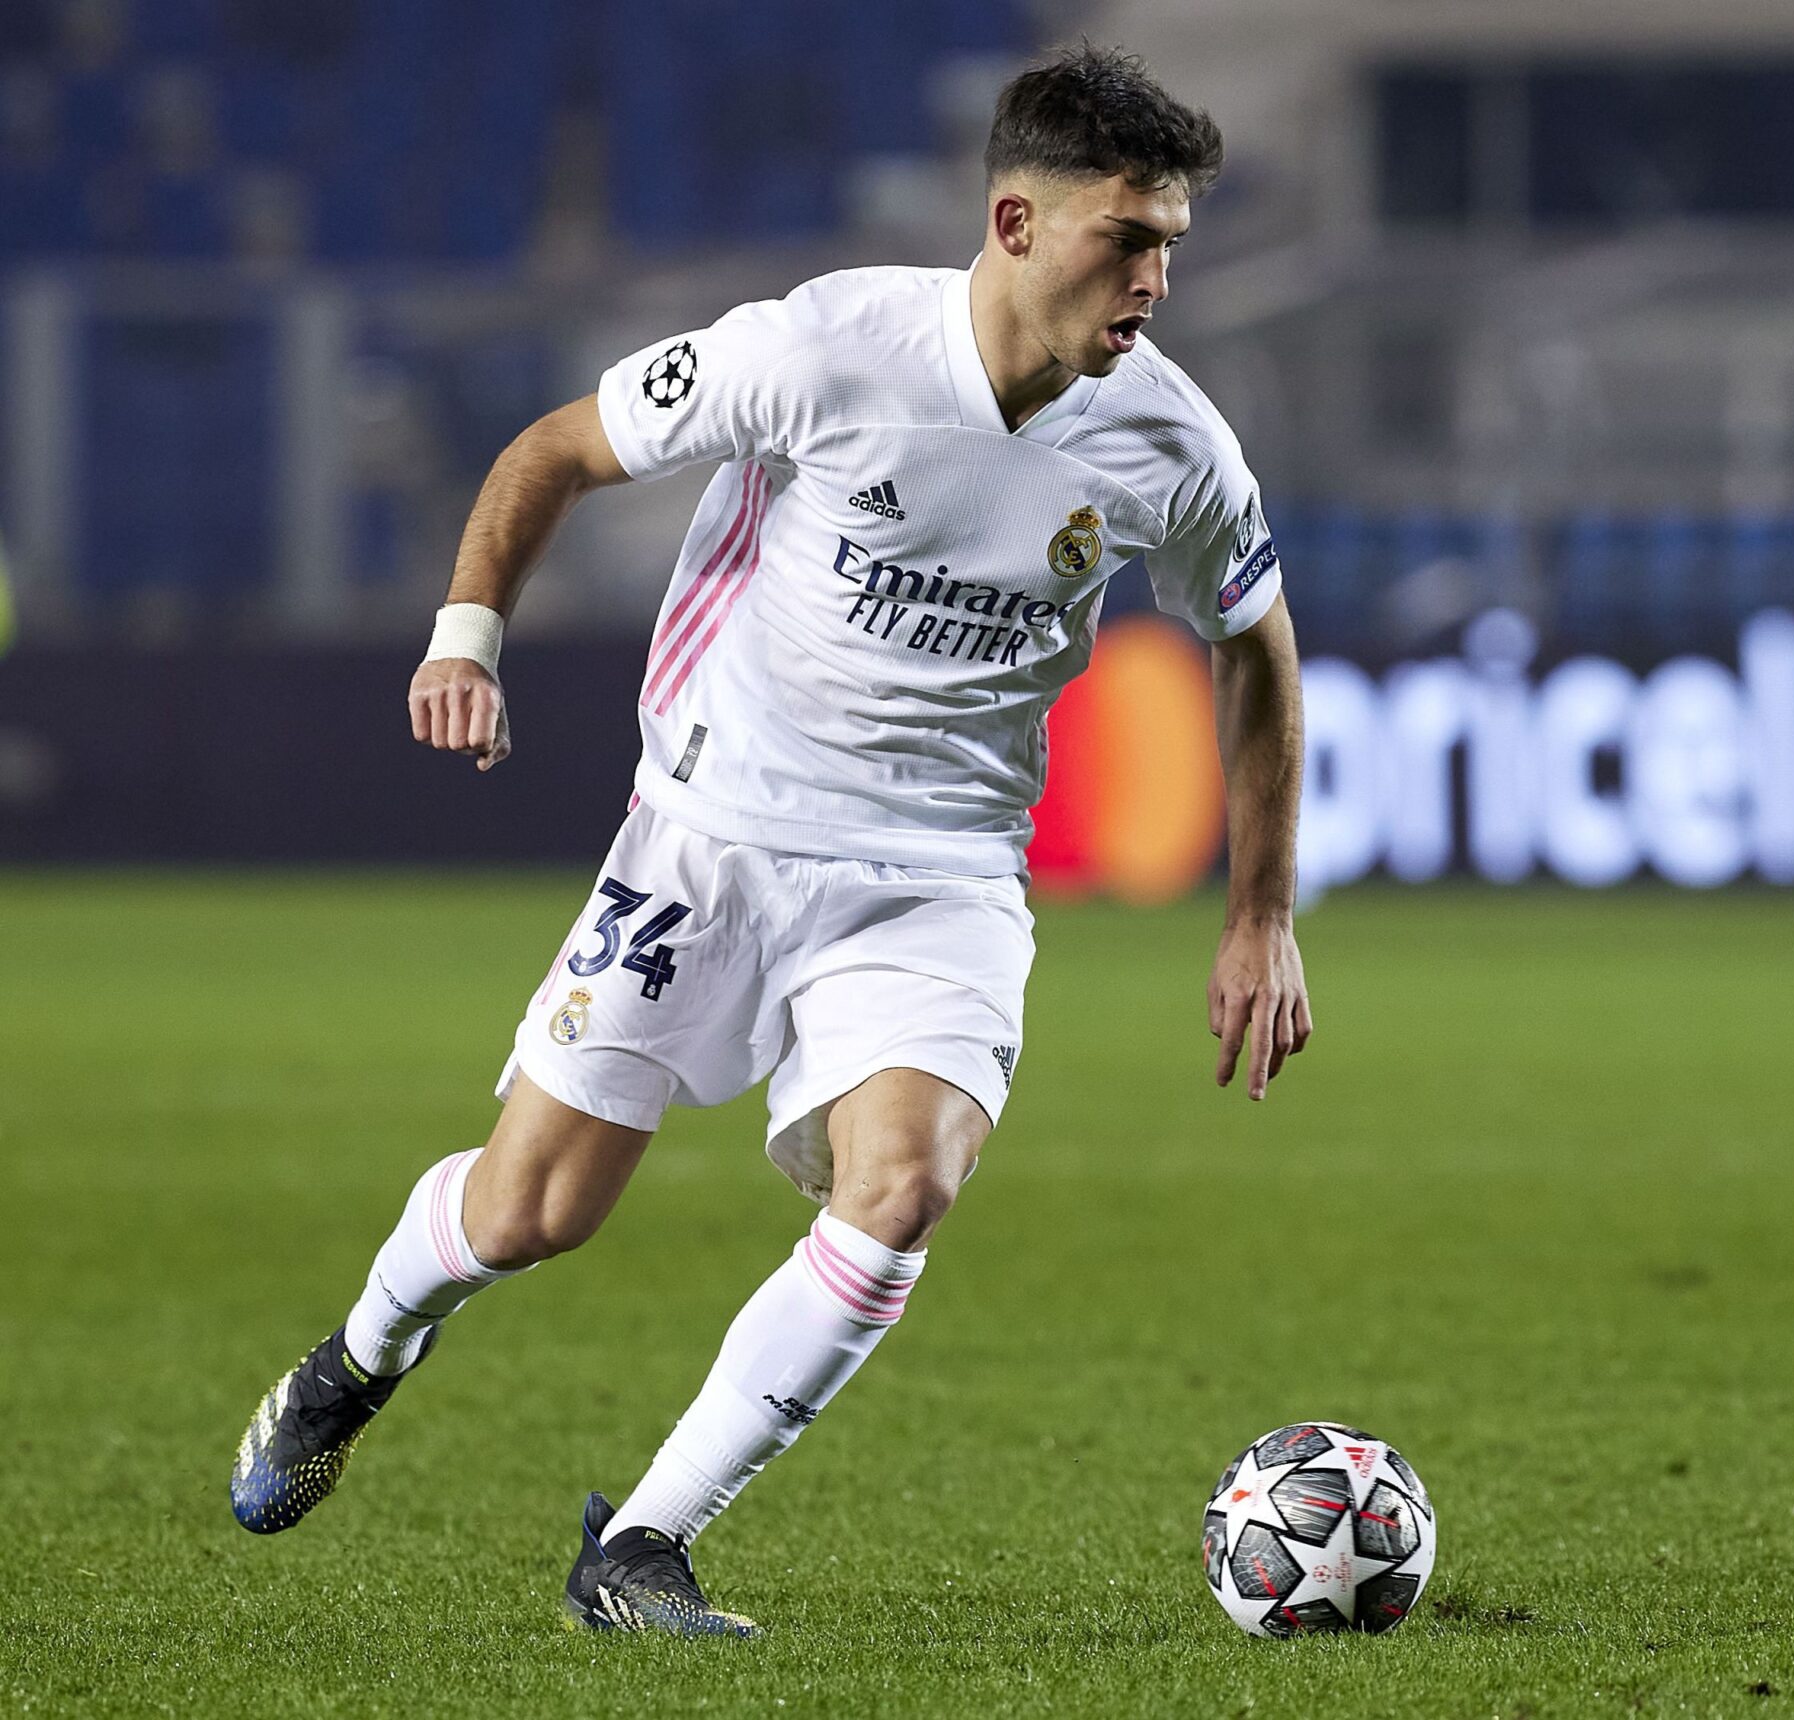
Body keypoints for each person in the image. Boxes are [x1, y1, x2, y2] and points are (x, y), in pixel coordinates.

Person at [229, 44, 1309, 1639]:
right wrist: (467, 638)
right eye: (1126, 239)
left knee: (905, 1185)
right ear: (1016, 222)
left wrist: (1260, 912)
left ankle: (642, 1547)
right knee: (531, 1215)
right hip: (715, 832)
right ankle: (360, 1355)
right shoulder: (823, 349)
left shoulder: (1173, 444)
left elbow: (1257, 652)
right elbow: (557, 451)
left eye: (1170, 246)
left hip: (942, 870)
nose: (1154, 280)